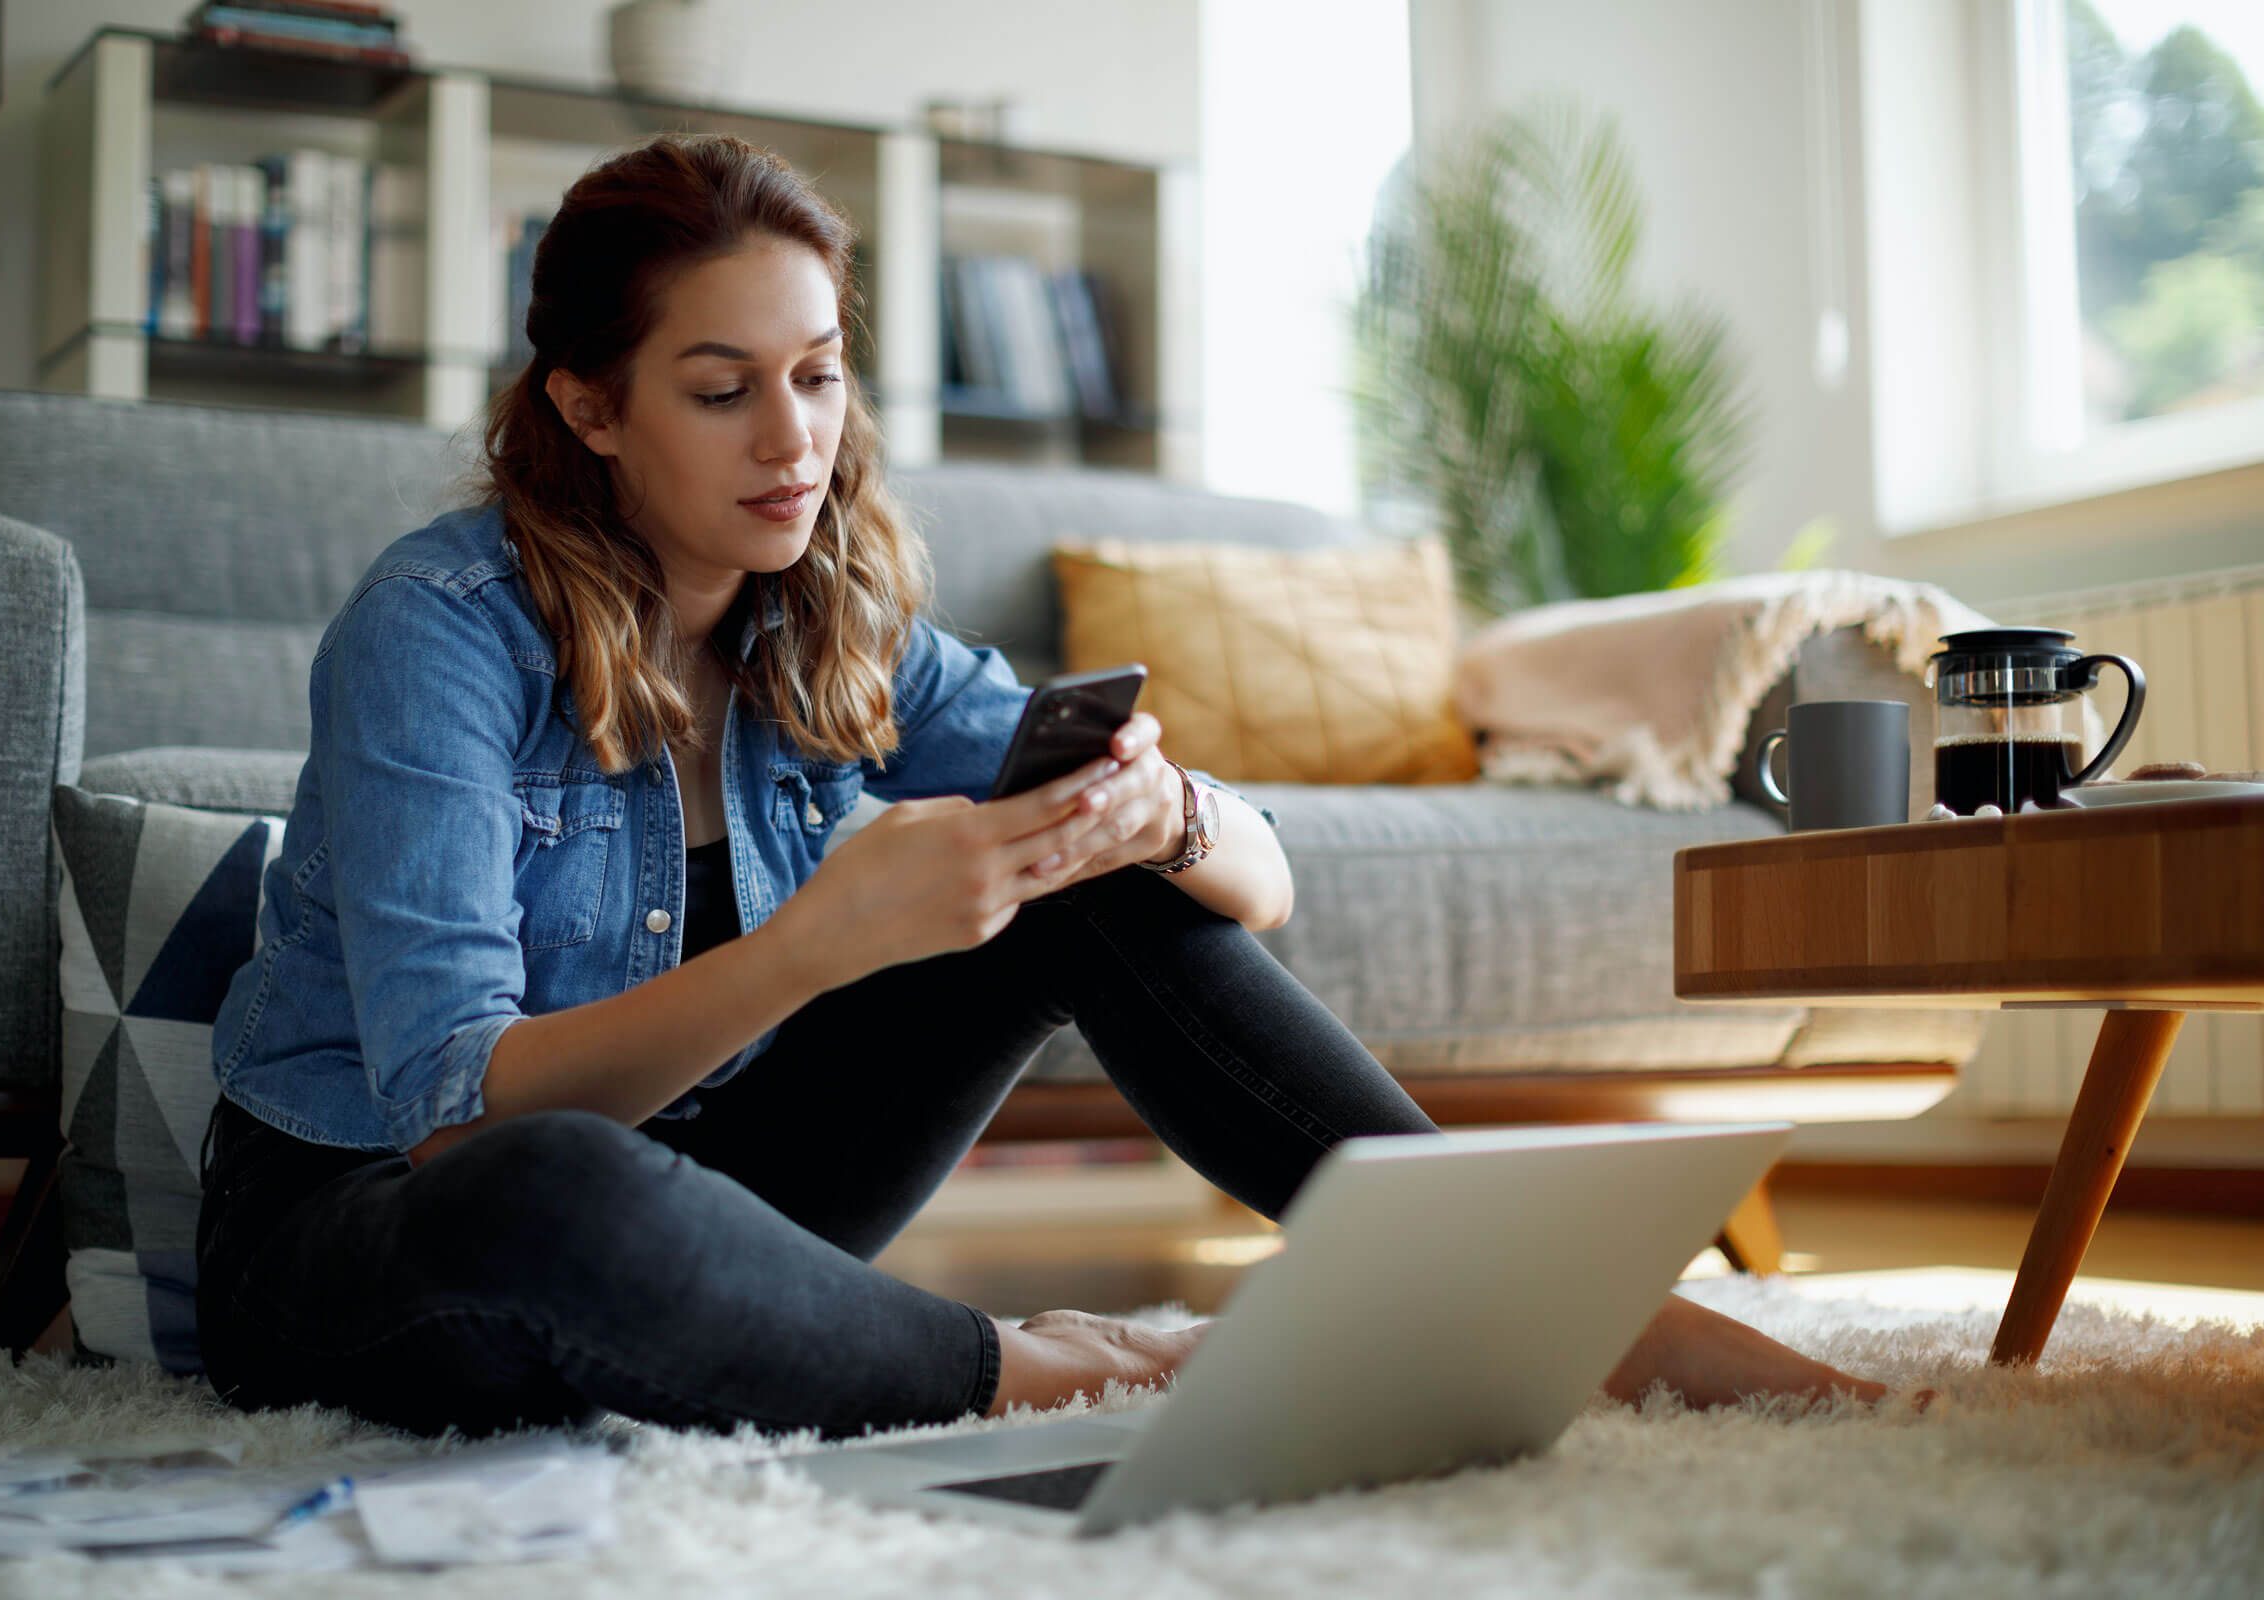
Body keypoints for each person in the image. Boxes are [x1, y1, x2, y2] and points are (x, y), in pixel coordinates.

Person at [195, 131, 1889, 1442]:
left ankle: (1564, 1309)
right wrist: (817, 945)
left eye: (818, 373)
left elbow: (1264, 885)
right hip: (376, 1228)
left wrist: (1170, 820)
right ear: (591, 408)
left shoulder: (832, 618)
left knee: (1077, 860)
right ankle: (1046, 1365)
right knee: (552, 1187)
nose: (793, 440)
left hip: (721, 1194)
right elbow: (455, 1118)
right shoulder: (437, 634)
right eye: (721, 392)